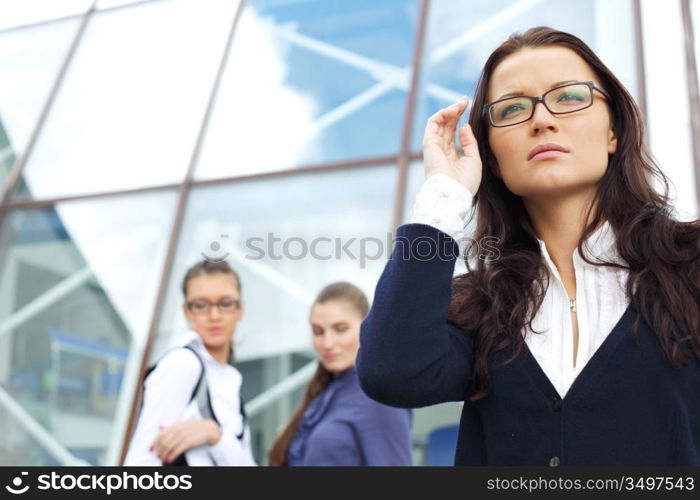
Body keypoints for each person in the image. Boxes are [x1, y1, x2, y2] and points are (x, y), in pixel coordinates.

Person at [357, 27, 700, 466]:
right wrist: (444, 194)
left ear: (613, 131)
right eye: (514, 108)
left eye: (570, 97)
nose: (542, 119)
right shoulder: (479, 305)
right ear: (493, 158)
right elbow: (393, 373)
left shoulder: (688, 263)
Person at [124, 260, 256, 466]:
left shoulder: (230, 379)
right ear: (186, 312)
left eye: (225, 303)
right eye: (200, 305)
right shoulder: (183, 364)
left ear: (240, 309)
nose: (214, 316)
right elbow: (142, 460)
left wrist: (215, 435)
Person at [268, 282, 413, 466]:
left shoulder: (380, 397)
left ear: (368, 327)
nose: (327, 343)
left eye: (340, 329)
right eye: (318, 331)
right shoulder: (324, 393)